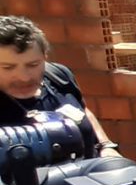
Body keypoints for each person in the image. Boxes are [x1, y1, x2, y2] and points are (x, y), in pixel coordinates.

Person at [0, 16, 119, 157]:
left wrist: (105, 145)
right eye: (8, 67)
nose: (24, 77)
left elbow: (83, 111)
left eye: (33, 65)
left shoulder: (58, 76)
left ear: (45, 57)